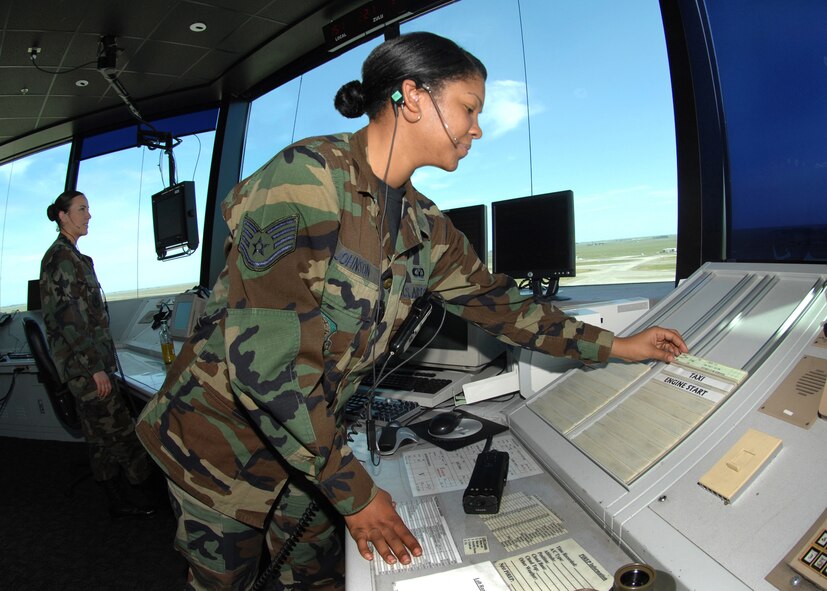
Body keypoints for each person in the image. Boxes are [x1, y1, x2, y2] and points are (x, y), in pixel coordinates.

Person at [136, 32, 687, 590]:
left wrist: (617, 345)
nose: (477, 128)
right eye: (469, 108)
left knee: (318, 577)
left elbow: (501, 306)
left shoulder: (426, 226)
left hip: (310, 447)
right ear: (413, 96)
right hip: (219, 445)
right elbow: (266, 368)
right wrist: (355, 494)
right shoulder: (306, 180)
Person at [40, 190, 156, 520]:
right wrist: (96, 369)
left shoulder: (71, 257)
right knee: (122, 432)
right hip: (86, 369)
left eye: (88, 208)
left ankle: (115, 497)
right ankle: (145, 492)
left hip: (87, 365)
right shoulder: (62, 259)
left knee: (99, 436)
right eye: (81, 209)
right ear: (63, 216)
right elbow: (70, 320)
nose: (88, 215)